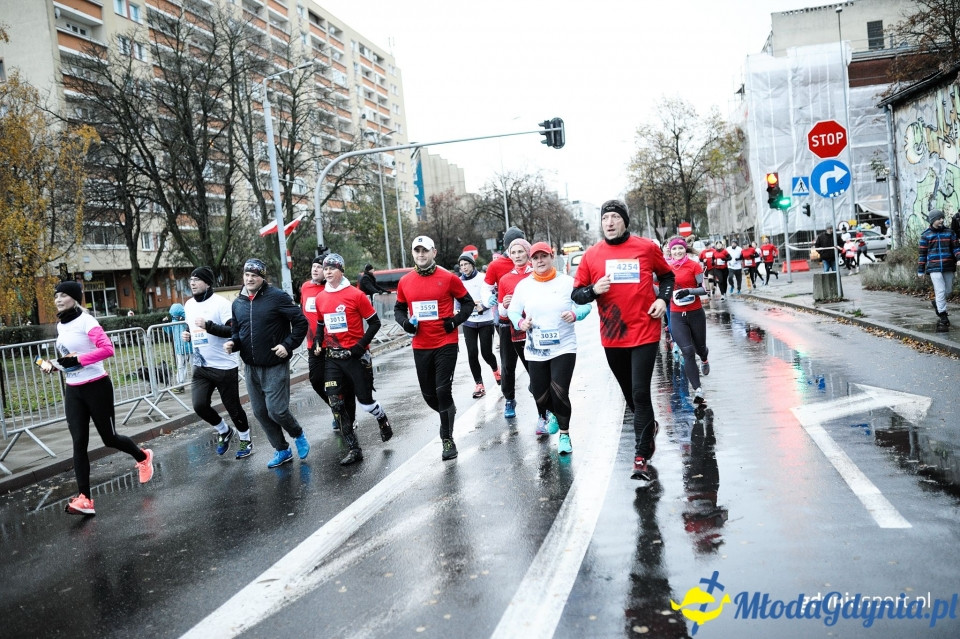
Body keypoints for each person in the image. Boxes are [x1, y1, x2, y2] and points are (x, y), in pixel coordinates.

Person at [571, 199, 675, 480]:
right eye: (606, 218)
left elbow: (667, 276)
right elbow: (577, 294)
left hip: (644, 330)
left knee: (641, 392)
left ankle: (640, 456)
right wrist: (594, 290)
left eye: (616, 217)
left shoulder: (646, 248)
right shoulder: (592, 255)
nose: (610, 222)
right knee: (630, 394)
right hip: (613, 335)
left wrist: (663, 301)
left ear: (625, 221)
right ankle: (648, 427)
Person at [44, 281, 154, 516]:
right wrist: (56, 366)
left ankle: (143, 456)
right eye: (56, 296)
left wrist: (79, 360)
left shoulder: (87, 321)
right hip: (73, 389)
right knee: (78, 443)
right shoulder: (61, 325)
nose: (58, 300)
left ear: (75, 298)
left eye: (63, 295)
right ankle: (85, 498)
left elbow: (108, 349)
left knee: (109, 438)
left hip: (97, 387)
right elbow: (68, 357)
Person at [225, 258, 310, 469]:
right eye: (247, 275)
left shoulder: (277, 297)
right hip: (251, 367)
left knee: (277, 410)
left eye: (254, 275)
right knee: (260, 412)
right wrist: (232, 343)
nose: (250, 278)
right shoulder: (238, 303)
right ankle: (282, 449)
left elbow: (301, 322)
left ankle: (297, 433)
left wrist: (288, 345)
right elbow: (238, 332)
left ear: (263, 278)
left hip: (274, 363)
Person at [394, 236, 474, 460]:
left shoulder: (448, 278)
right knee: (429, 394)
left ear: (434, 252)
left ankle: (447, 439)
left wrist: (455, 322)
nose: (421, 254)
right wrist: (405, 324)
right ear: (413, 254)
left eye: (425, 251)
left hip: (445, 342)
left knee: (442, 390)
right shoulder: (405, 281)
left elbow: (468, 303)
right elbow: (399, 309)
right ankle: (447, 411)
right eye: (417, 251)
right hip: (421, 344)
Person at [507, 242, 591, 454]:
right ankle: (552, 414)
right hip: (535, 349)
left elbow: (585, 305)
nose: (540, 261)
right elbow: (513, 311)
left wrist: (574, 314)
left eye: (544, 256)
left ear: (551, 257)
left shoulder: (567, 282)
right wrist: (520, 323)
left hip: (564, 347)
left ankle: (564, 435)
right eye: (535, 258)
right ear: (530, 261)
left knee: (559, 392)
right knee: (539, 393)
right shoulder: (524, 286)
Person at [314, 253, 393, 465]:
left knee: (365, 403)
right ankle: (354, 448)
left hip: (355, 357)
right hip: (333, 358)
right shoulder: (321, 297)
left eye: (332, 268)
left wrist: (360, 347)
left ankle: (381, 418)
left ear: (341, 270)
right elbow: (321, 322)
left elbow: (375, 323)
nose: (327, 272)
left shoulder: (355, 295)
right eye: (325, 268)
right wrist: (318, 341)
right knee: (336, 404)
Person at [181, 266, 253, 459]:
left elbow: (232, 331)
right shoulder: (188, 305)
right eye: (191, 280)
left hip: (224, 365)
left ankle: (245, 438)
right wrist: (187, 334)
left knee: (232, 406)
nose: (192, 283)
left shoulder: (221, 304)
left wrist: (209, 326)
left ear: (208, 283)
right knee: (199, 405)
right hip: (201, 365)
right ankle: (224, 430)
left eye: (197, 279)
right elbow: (191, 326)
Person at [666, 238, 710, 405]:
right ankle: (698, 389)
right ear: (670, 251)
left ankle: (705, 358)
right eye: (674, 249)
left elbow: (703, 289)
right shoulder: (666, 268)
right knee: (687, 351)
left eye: (680, 248)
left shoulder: (694, 266)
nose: (677, 251)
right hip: (677, 316)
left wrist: (688, 291)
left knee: (699, 348)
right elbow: (657, 286)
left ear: (685, 249)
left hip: (695, 313)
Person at [496, 238, 535, 419]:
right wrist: (504, 304)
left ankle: (539, 394)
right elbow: (502, 312)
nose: (518, 255)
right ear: (509, 255)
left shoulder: (535, 274)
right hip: (508, 328)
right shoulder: (505, 279)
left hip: (533, 327)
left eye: (521, 252)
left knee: (534, 366)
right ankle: (510, 399)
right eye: (514, 252)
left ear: (528, 253)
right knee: (507, 366)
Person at [457, 251, 499, 399]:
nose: (464, 268)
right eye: (461, 265)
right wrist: (457, 311)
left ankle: (496, 370)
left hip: (485, 321)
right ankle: (479, 384)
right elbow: (457, 298)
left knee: (486, 353)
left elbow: (492, 295)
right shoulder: (459, 281)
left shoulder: (482, 278)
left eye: (466, 264)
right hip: (469, 323)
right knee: (472, 353)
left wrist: (484, 306)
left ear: (472, 265)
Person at [300, 256, 334, 429]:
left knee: (334, 381)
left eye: (319, 267)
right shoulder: (305, 287)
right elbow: (303, 312)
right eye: (313, 266)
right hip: (312, 344)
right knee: (316, 380)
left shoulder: (330, 289)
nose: (315, 269)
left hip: (332, 343)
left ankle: (343, 413)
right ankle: (336, 408)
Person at [917, 209, 960, 332]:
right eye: (939, 218)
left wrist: (958, 258)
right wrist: (921, 270)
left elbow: (956, 248)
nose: (941, 220)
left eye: (942, 218)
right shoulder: (926, 235)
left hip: (948, 265)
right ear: (932, 220)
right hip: (934, 267)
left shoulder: (950, 233)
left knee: (948, 291)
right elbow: (922, 255)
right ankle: (943, 317)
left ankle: (938, 303)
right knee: (940, 290)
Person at [164, 303, 193, 392]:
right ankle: (180, 384)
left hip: (190, 347)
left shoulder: (186, 320)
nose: (173, 316)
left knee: (194, 365)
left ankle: (201, 381)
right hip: (179, 349)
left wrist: (184, 320)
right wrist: (165, 324)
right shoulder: (174, 321)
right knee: (181, 366)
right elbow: (169, 331)